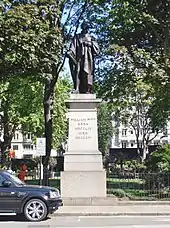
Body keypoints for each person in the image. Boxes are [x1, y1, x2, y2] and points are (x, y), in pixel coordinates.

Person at [67, 22, 99, 93]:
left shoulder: (92, 38)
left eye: (87, 28)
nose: (86, 29)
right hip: (79, 58)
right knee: (78, 72)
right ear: (83, 28)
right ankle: (77, 89)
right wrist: (70, 52)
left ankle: (87, 90)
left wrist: (90, 44)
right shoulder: (77, 37)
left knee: (86, 74)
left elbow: (97, 50)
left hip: (88, 59)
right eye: (85, 27)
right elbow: (73, 47)